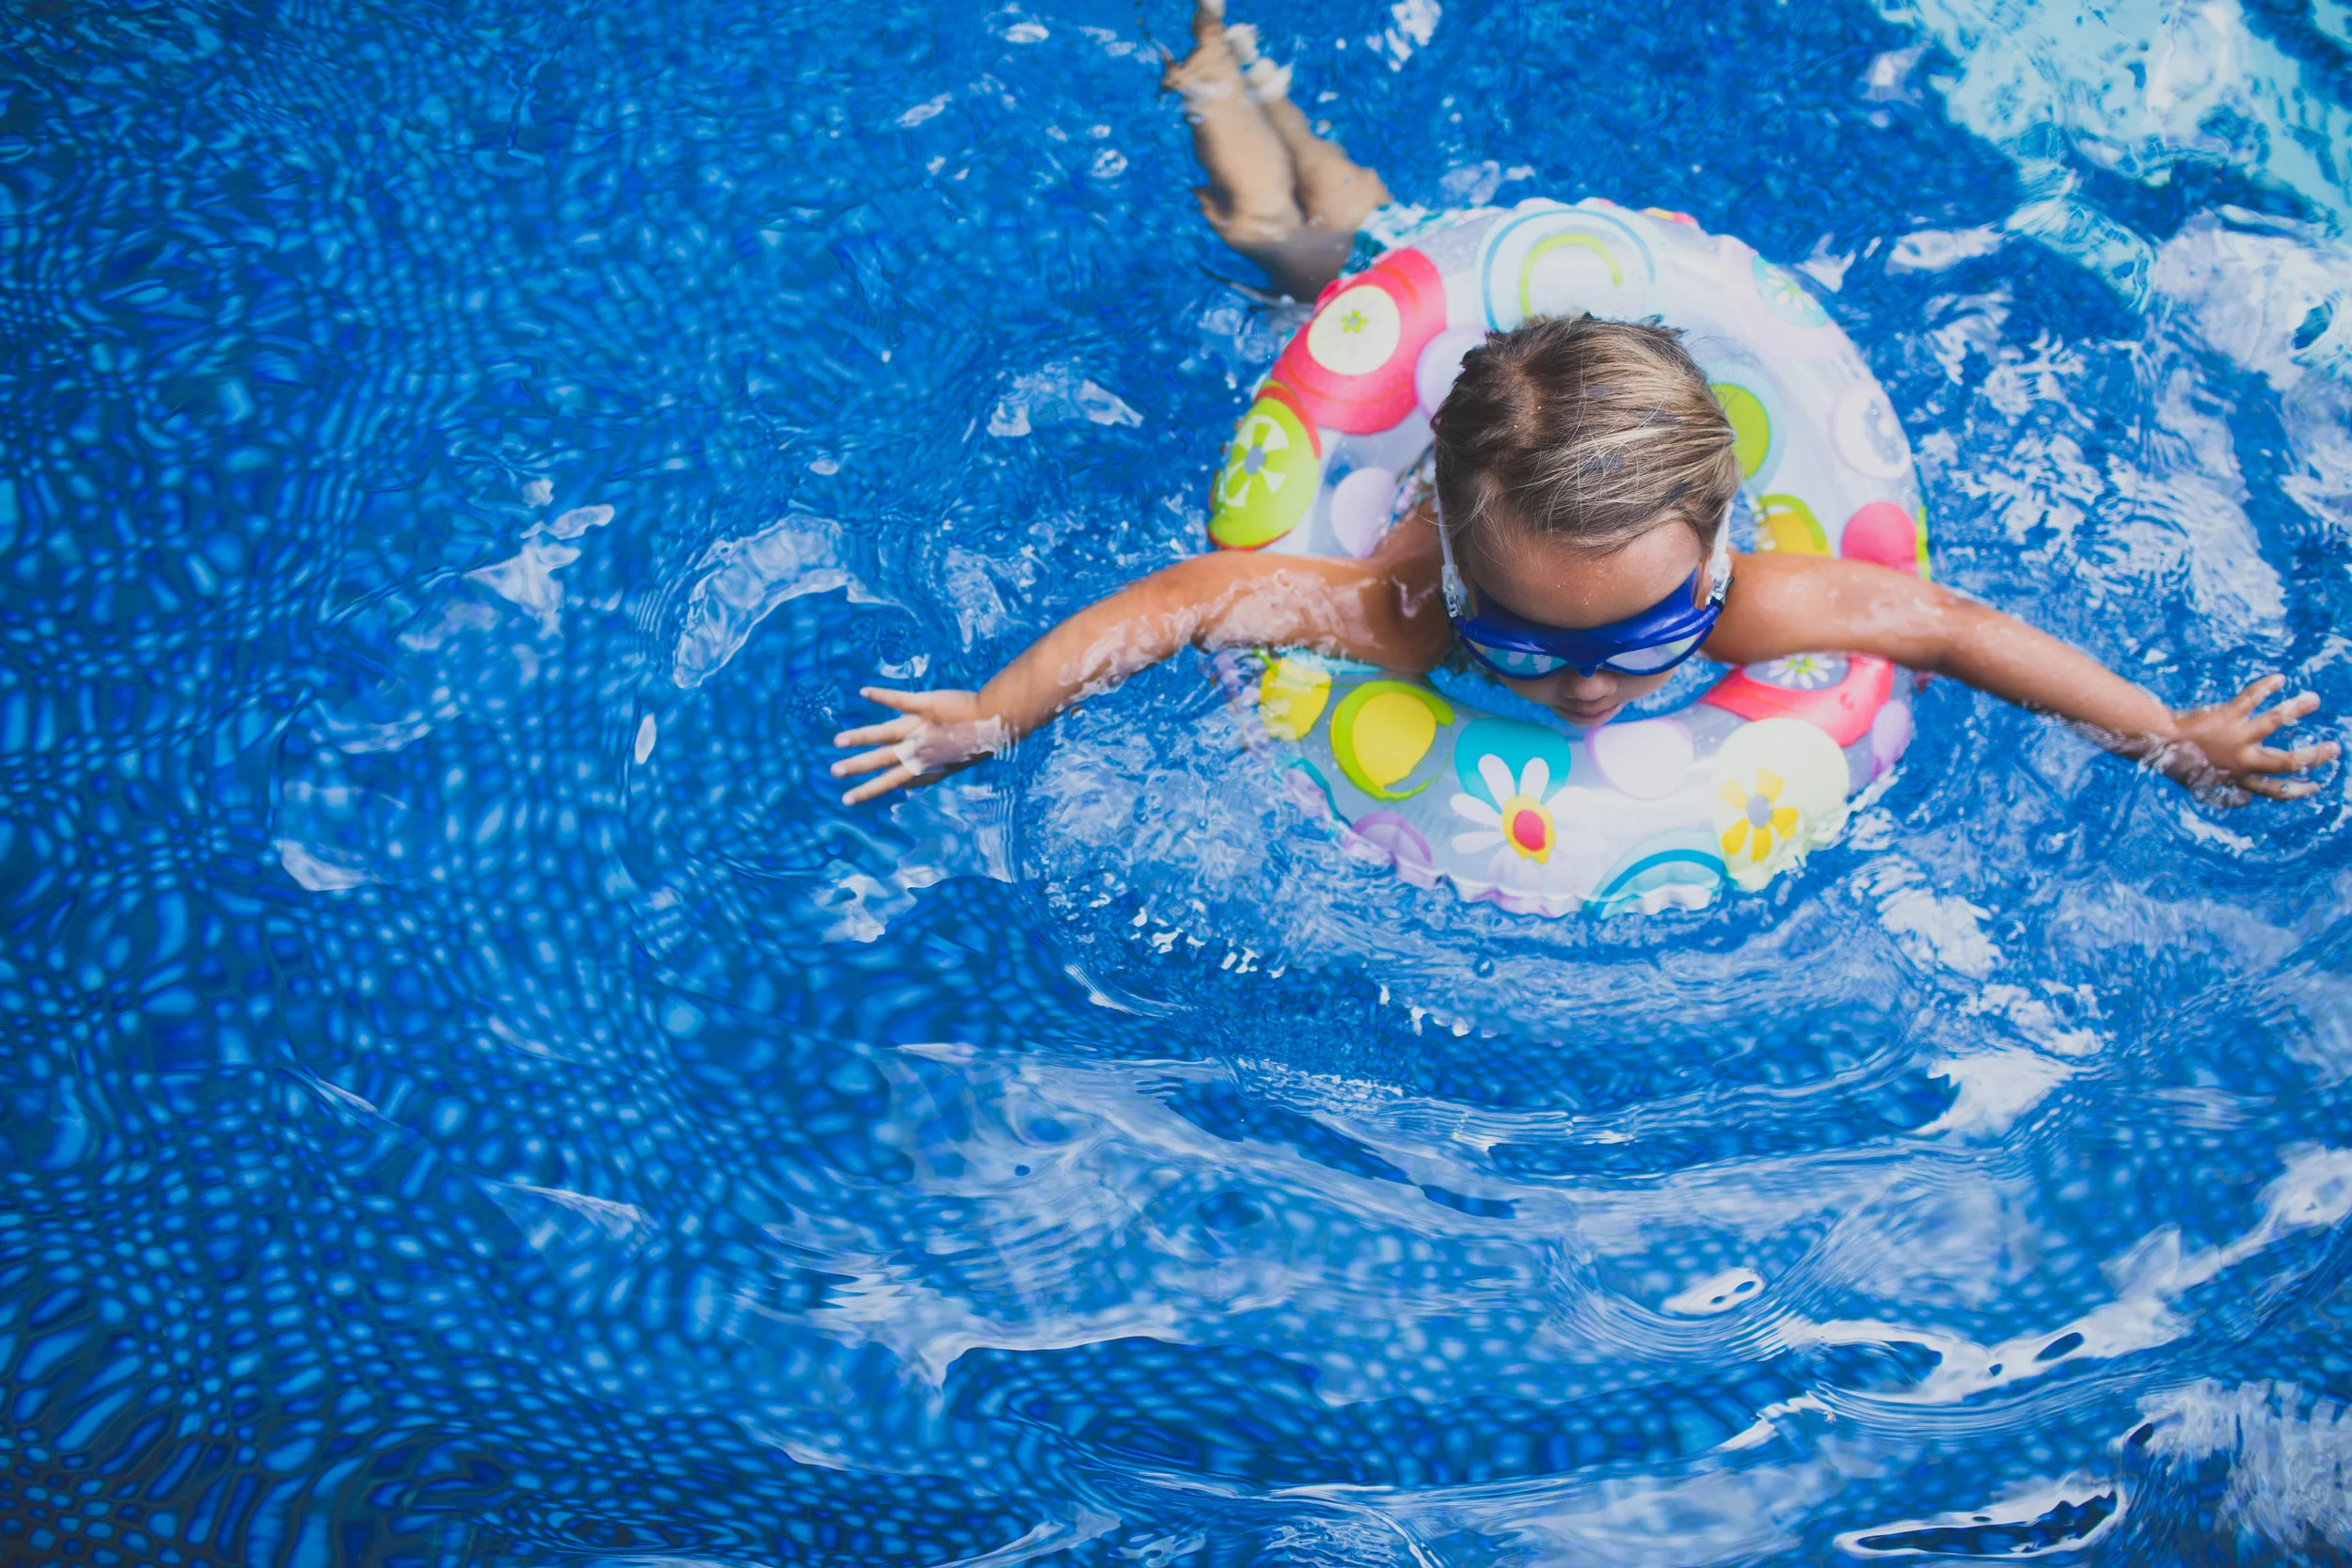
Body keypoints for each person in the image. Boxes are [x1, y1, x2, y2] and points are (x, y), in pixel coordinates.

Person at [832, 0, 2336, 811]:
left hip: (1534, 410)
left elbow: (1951, 629)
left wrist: (2169, 733)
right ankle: (1215, 62)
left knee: (1339, 226)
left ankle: (1265, 91)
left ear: (1719, 548)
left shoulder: (1748, 603)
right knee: (1277, 243)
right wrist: (994, 713)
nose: (1589, 689)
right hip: (1408, 403)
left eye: (1642, 637)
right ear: (1456, 576)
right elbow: (1185, 600)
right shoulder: (1405, 610)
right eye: (1525, 643)